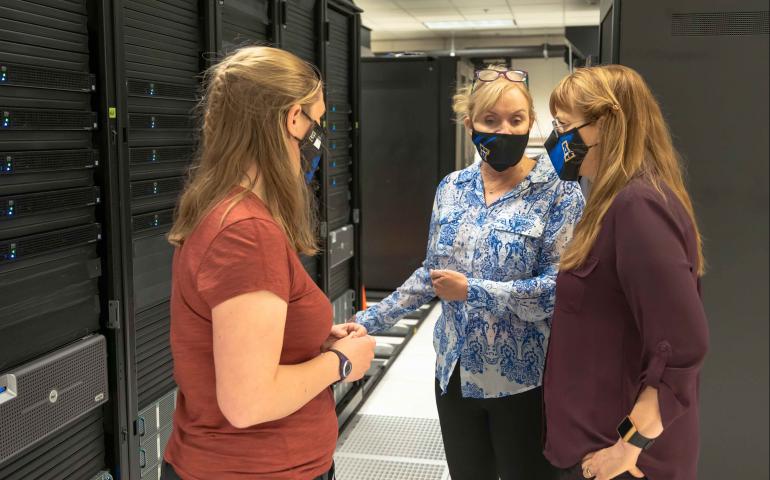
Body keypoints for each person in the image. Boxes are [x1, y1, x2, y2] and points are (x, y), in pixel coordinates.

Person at [355, 66, 585, 480]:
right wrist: (366, 322)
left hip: (522, 383)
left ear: (531, 121)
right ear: (470, 125)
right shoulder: (452, 187)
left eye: (516, 120)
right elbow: (432, 274)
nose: (504, 130)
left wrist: (474, 291)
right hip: (454, 372)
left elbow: (559, 291)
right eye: (490, 120)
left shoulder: (560, 192)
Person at [161, 46, 376, 480]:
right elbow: (248, 403)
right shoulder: (246, 234)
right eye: (316, 121)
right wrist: (342, 362)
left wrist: (311, 336)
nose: (317, 136)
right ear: (292, 118)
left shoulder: (224, 210)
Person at [542, 65, 709, 480]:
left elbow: (683, 349)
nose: (556, 140)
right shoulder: (611, 201)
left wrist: (628, 446)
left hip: (618, 462)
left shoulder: (638, 206)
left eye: (564, 126)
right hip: (588, 444)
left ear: (604, 126)